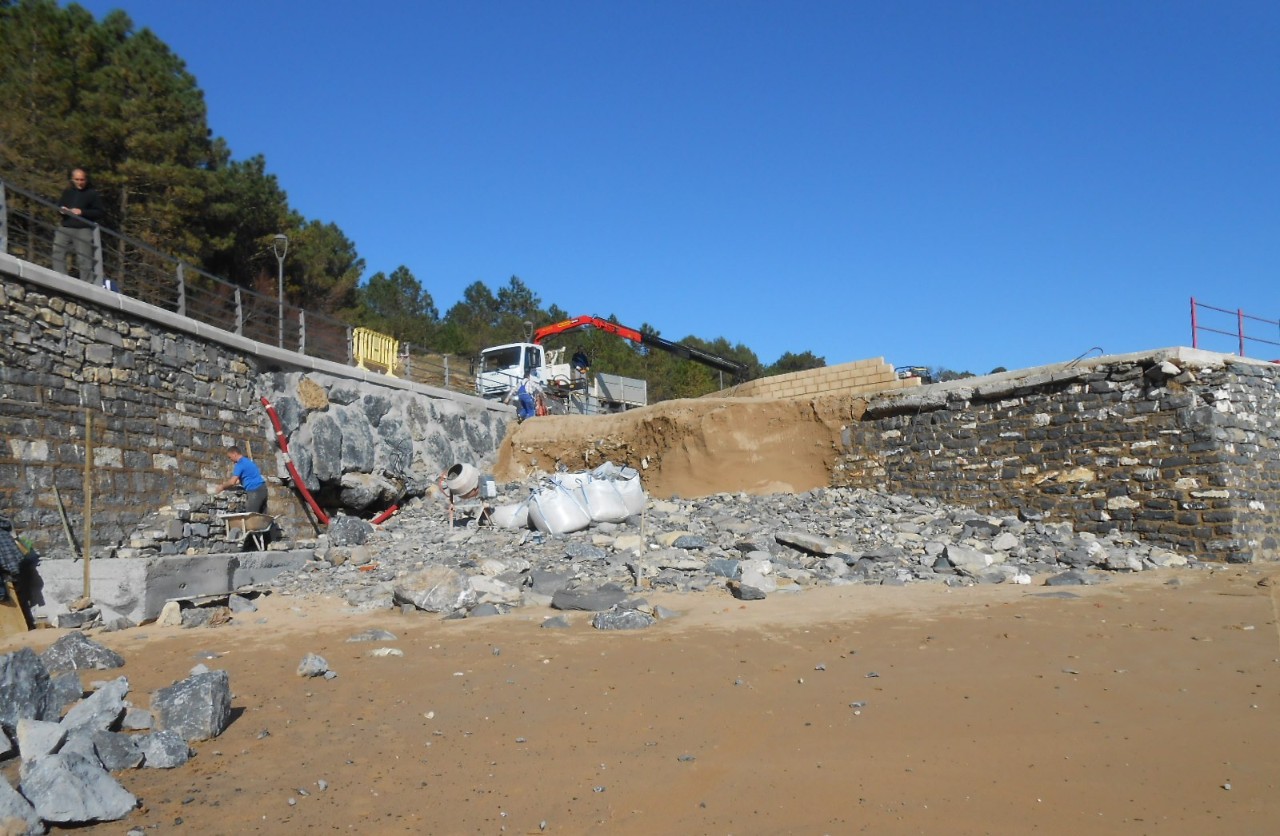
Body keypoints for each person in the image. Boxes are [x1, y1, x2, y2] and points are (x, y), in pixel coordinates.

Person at [52, 167, 107, 283]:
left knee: (84, 259)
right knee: (57, 251)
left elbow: (100, 212)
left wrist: (82, 212)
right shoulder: (67, 192)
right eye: (77, 179)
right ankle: (59, 279)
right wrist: (61, 210)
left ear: (86, 180)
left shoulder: (92, 194)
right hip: (65, 226)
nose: (79, 182)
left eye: (82, 180)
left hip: (83, 229)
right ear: (72, 179)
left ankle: (87, 284)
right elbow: (60, 205)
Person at [214, 446, 268, 513]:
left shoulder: (240, 464)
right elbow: (240, 480)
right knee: (263, 517)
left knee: (252, 517)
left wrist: (222, 487)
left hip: (254, 491)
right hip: (263, 489)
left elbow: (232, 482)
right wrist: (228, 486)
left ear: (234, 454)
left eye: (230, 457)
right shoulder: (247, 461)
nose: (230, 459)